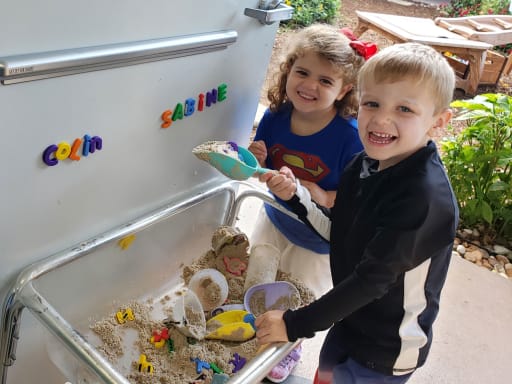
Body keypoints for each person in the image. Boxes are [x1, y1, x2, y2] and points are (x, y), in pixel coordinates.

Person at [254, 42, 459, 384]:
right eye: (372, 103)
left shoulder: (424, 199)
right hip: (348, 321)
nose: (381, 119)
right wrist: (296, 197)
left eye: (404, 109)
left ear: (438, 122)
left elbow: (371, 281)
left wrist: (293, 324)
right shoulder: (362, 164)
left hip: (386, 347)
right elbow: (338, 232)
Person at [247, 24, 374, 383]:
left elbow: (353, 199)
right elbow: (265, 170)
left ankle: (290, 346)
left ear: (344, 89)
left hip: (319, 237)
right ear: (288, 71)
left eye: (325, 80)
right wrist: (255, 159)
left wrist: (318, 194)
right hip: (274, 216)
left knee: (297, 294)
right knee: (260, 275)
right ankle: (253, 325)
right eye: (302, 72)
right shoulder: (274, 118)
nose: (309, 85)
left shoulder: (349, 137)